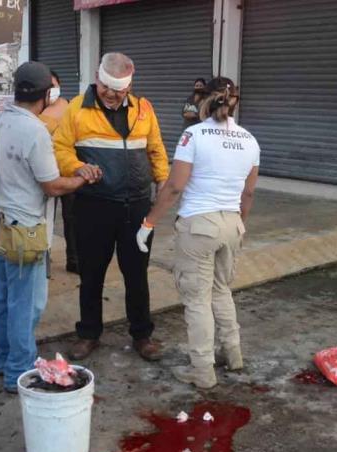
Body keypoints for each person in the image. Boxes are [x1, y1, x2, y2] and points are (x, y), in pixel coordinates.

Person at [136, 77, 260, 389]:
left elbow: (175, 186)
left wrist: (149, 222)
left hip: (199, 227)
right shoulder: (249, 140)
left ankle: (203, 372)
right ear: (234, 102)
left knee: (197, 300)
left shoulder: (193, 135)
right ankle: (233, 354)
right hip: (232, 223)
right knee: (221, 290)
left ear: (203, 100)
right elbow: (248, 195)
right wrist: (240, 224)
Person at [0, 61, 97, 392]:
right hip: (24, 233)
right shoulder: (35, 131)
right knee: (26, 303)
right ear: (47, 94)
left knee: (4, 297)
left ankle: (0, 358)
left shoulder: (2, 118)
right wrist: (81, 177)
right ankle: (17, 371)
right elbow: (52, 186)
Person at [54, 52, 169, 362]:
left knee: (137, 274)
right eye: (106, 86)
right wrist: (76, 166)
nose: (111, 93)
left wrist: (163, 183)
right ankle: (88, 334)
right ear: (97, 78)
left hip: (137, 208)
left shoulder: (144, 109)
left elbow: (156, 148)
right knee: (91, 274)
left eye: (118, 89)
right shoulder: (77, 108)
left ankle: (142, 335)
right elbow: (60, 148)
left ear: (129, 87)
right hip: (94, 206)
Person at [39, 70, 79, 274]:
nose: (52, 90)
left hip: (67, 171)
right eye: (48, 87)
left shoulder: (71, 106)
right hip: (44, 173)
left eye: (54, 85)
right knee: (44, 218)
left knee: (72, 218)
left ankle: (74, 259)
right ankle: (42, 261)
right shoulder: (37, 111)